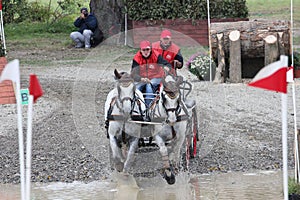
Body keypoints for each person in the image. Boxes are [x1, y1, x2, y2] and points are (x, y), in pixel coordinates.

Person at [132, 40, 172, 107]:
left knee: (149, 86)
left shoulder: (156, 55)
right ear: (140, 50)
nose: (146, 52)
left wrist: (167, 67)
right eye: (143, 50)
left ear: (150, 49)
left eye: (147, 49)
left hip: (156, 77)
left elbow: (168, 64)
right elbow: (133, 74)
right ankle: (136, 107)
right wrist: (141, 79)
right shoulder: (136, 58)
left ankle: (148, 107)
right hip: (143, 79)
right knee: (136, 88)